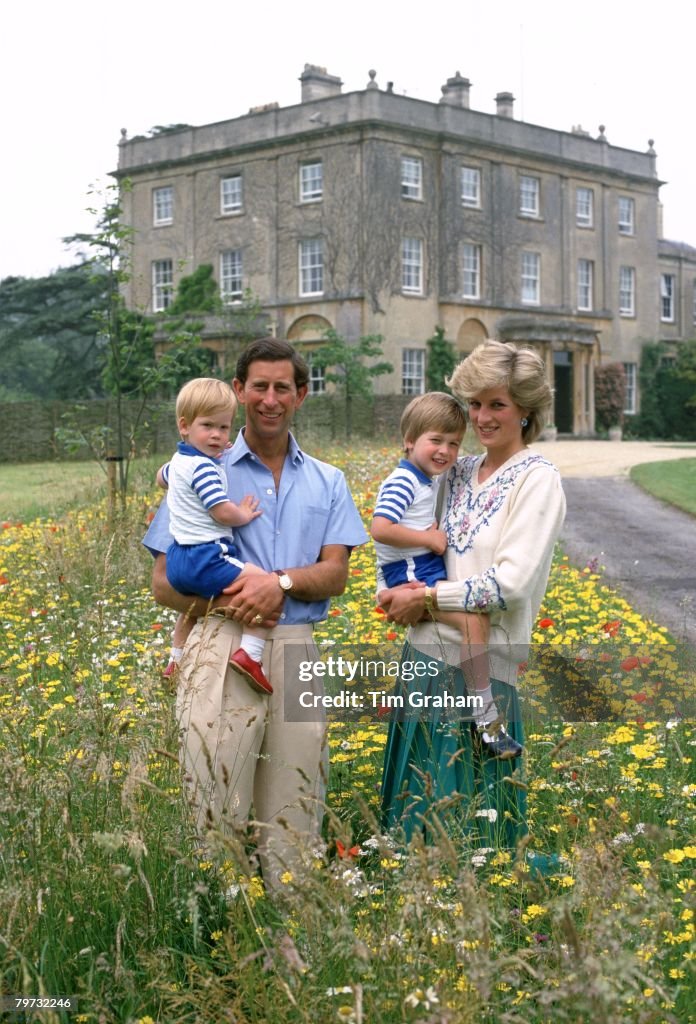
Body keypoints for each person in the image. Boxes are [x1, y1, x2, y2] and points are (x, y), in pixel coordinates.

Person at [142, 338, 368, 889]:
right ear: (239, 391)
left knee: (297, 802)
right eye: (259, 387)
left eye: (282, 388)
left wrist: (280, 583)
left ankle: (296, 941)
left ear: (302, 395)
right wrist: (236, 599)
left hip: (296, 649)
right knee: (215, 801)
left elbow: (335, 573)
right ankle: (222, 937)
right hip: (221, 641)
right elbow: (162, 582)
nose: (270, 399)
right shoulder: (198, 466)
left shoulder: (327, 480)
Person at [379, 339, 566, 851]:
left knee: (476, 830)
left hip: (486, 666)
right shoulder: (455, 470)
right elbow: (405, 527)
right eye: (475, 404)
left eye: (497, 405)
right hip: (423, 656)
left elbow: (509, 585)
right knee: (416, 817)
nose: (482, 417)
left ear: (526, 410)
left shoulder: (537, 480)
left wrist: (426, 598)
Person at [371, 392, 522, 758]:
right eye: (435, 440)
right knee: (474, 623)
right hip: (413, 576)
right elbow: (380, 528)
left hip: (420, 574)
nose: (445, 451)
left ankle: (483, 715)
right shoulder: (403, 481)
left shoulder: (426, 479)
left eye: (453, 443)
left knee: (474, 624)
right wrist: (429, 538)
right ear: (409, 441)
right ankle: (485, 720)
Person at [157, 377, 273, 695]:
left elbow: (160, 477)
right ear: (184, 426)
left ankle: (176, 660)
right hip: (208, 555)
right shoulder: (205, 470)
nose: (217, 435)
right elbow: (221, 511)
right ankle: (251, 654)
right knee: (265, 586)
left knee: (189, 611)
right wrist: (244, 514)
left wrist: (214, 453)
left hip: (178, 560)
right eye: (208, 426)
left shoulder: (179, 462)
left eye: (224, 428)